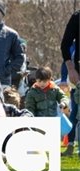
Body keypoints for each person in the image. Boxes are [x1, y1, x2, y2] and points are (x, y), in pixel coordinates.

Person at [60, 10, 79, 157]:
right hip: (78, 72)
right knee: (76, 112)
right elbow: (65, 44)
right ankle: (71, 144)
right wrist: (71, 68)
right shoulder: (77, 17)